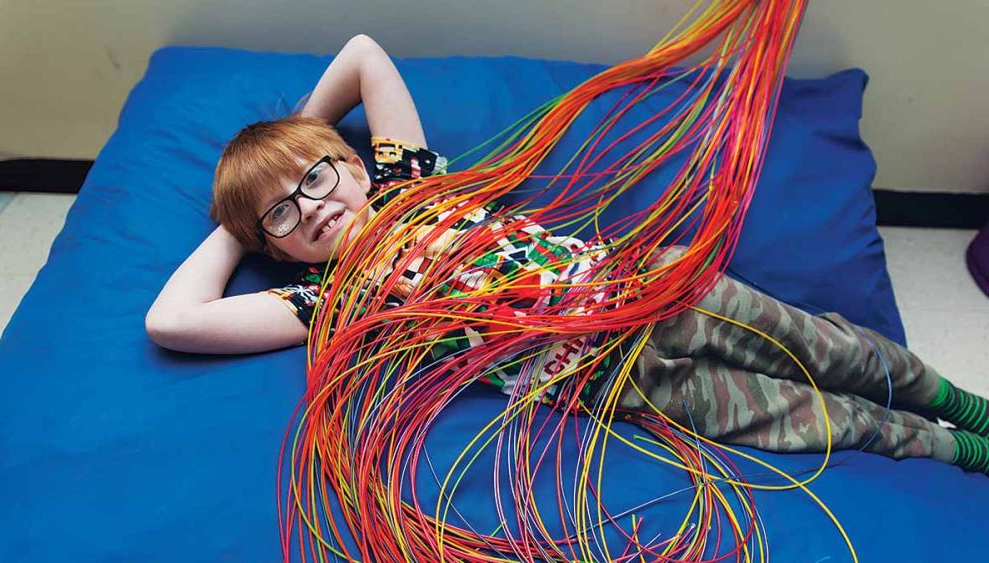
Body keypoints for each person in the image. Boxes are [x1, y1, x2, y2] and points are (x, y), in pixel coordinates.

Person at [146, 34, 989, 476]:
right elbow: (172, 319)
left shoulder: (407, 180)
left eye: (320, 179)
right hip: (613, 380)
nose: (314, 207)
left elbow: (364, 53)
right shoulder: (325, 300)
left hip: (651, 286)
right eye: (287, 217)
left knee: (828, 344)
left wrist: (293, 156)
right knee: (808, 420)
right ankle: (951, 449)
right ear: (277, 247)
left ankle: (953, 399)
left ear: (355, 160)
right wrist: (243, 221)